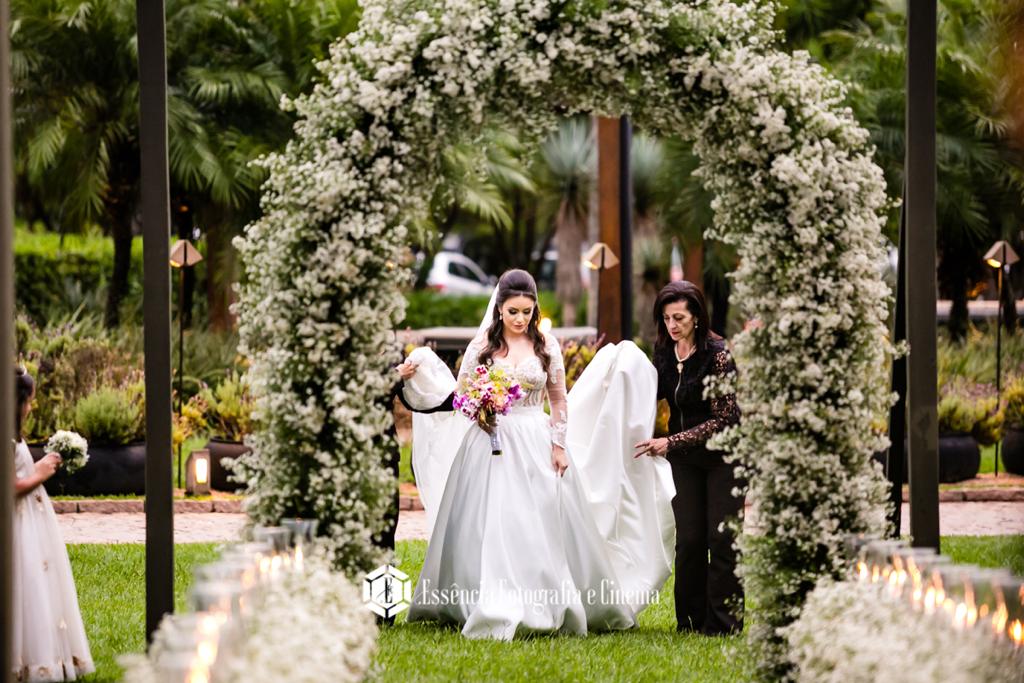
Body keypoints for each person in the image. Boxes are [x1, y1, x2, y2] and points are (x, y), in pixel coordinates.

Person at [400, 269, 675, 640]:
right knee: (489, 520)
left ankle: (547, 599)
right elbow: (462, 395)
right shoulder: (482, 346)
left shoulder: (546, 345)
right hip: (489, 441)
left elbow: (559, 401)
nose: (520, 319)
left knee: (538, 520)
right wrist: (480, 406)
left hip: (535, 438)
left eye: (526, 312)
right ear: (499, 309)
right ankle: (482, 599)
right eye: (513, 311)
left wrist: (559, 445)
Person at [634, 281, 744, 635]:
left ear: (696, 316)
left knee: (722, 538)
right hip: (684, 459)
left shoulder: (719, 356)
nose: (672, 325)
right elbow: (648, 394)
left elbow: (725, 419)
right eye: (666, 318)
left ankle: (724, 623)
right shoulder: (664, 352)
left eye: (679, 318)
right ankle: (691, 621)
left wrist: (670, 441)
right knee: (691, 540)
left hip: (724, 457)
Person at [11, 366, 95, 682]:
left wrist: (41, 465)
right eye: (29, 401)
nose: (31, 407)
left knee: (38, 585)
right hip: (18, 524)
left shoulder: (13, 437)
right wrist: (41, 473)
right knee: (25, 584)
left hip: (33, 520)